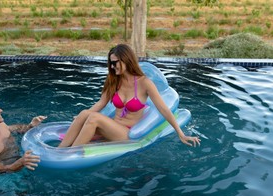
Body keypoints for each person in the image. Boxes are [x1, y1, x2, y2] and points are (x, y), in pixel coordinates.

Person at [58, 44, 200, 147]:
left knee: (93, 117)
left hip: (125, 134)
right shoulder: (113, 80)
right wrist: (81, 119)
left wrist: (180, 133)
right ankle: (60, 150)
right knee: (84, 113)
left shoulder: (145, 83)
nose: (112, 67)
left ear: (126, 60)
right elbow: (101, 103)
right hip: (112, 127)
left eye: (115, 63)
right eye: (111, 64)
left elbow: (163, 109)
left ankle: (71, 154)